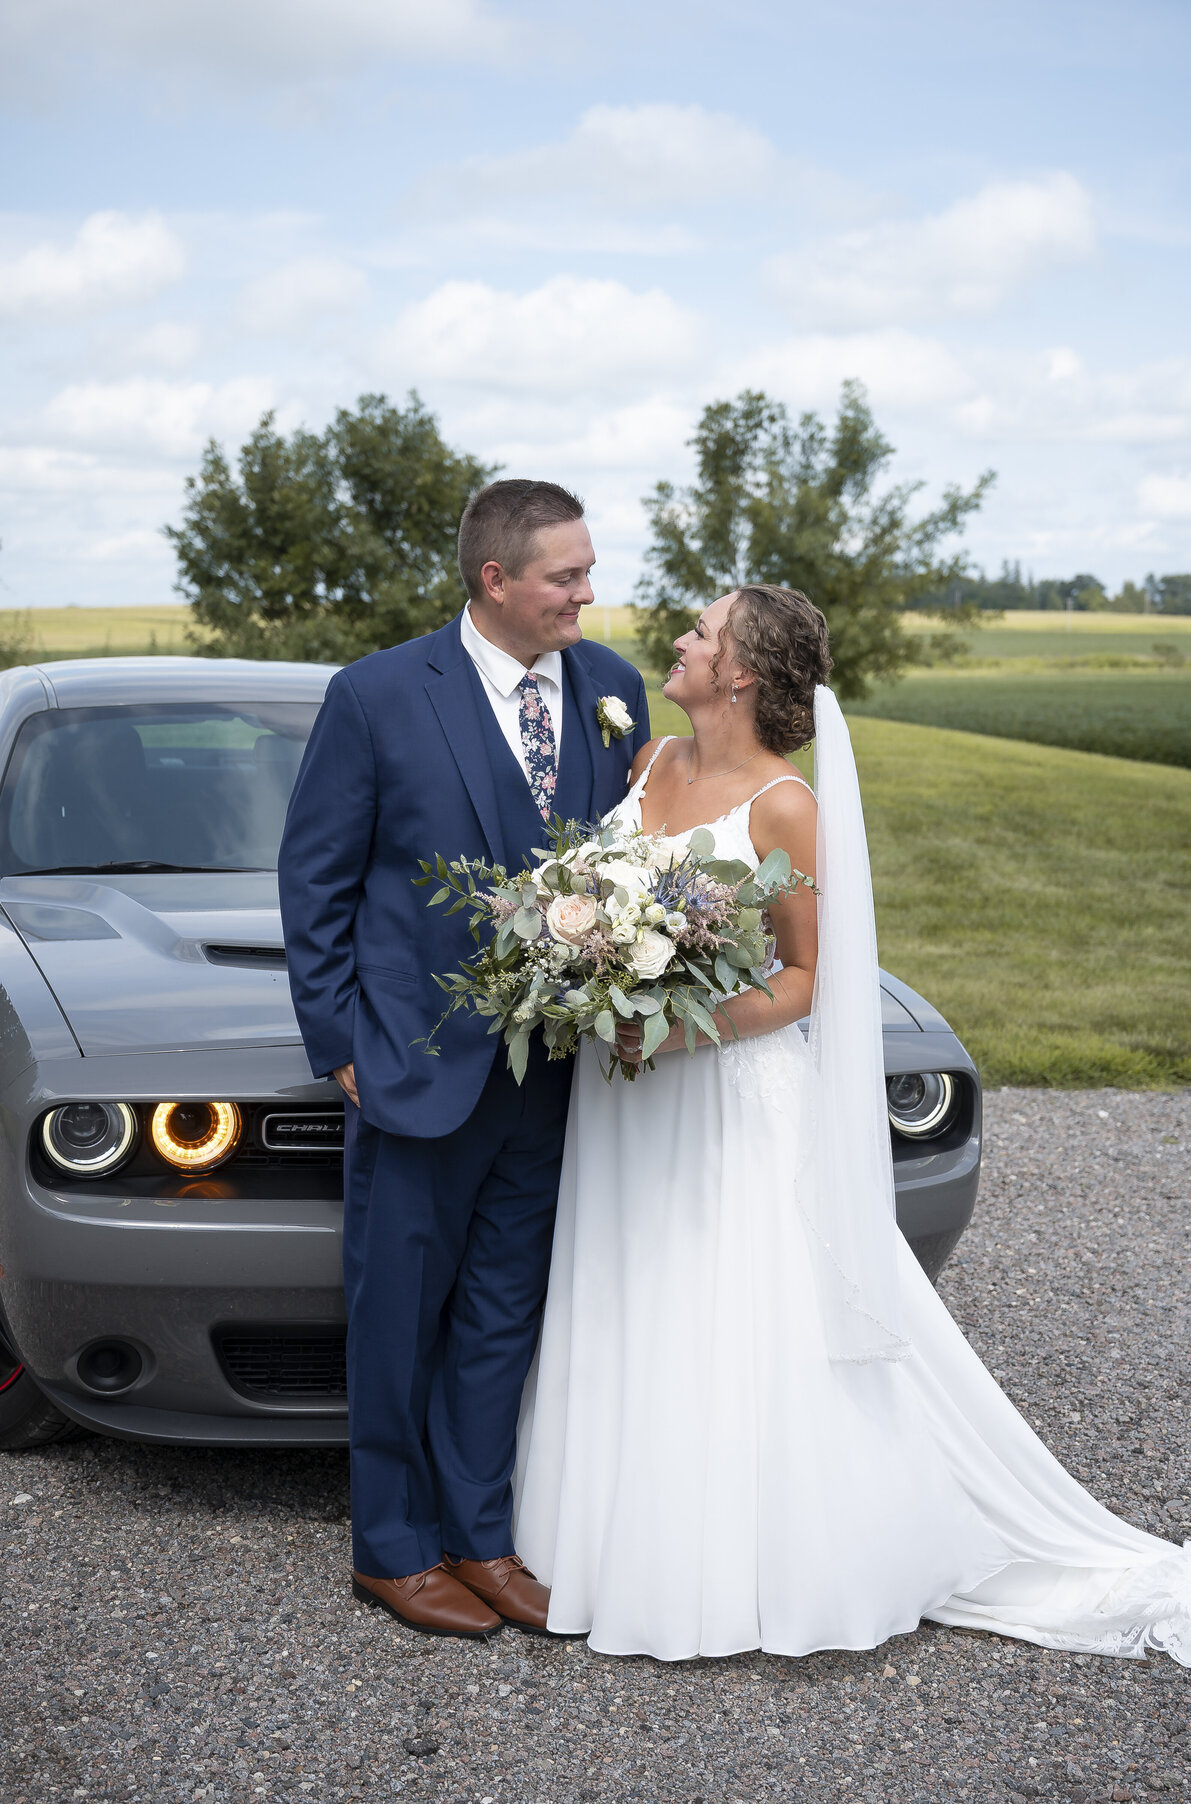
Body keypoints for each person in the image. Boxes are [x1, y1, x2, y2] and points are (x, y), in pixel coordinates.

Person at [513, 583, 1191, 1666]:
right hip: (624, 1096)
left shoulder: (787, 806)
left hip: (718, 1094)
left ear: (741, 672)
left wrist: (678, 1030)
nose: (679, 640)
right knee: (626, 1279)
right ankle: (606, 1536)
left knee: (724, 1298)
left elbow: (807, 979)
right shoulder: (650, 761)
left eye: (701, 631)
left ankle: (732, 1564)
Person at [278, 480, 650, 1640]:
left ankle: (481, 1535)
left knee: (502, 1313)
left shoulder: (612, 689)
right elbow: (316, 879)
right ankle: (391, 1550)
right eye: (565, 576)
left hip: (557, 1073)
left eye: (588, 572)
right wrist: (341, 1044)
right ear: (495, 578)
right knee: (399, 1316)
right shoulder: (378, 694)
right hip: (414, 1068)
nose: (586, 594)